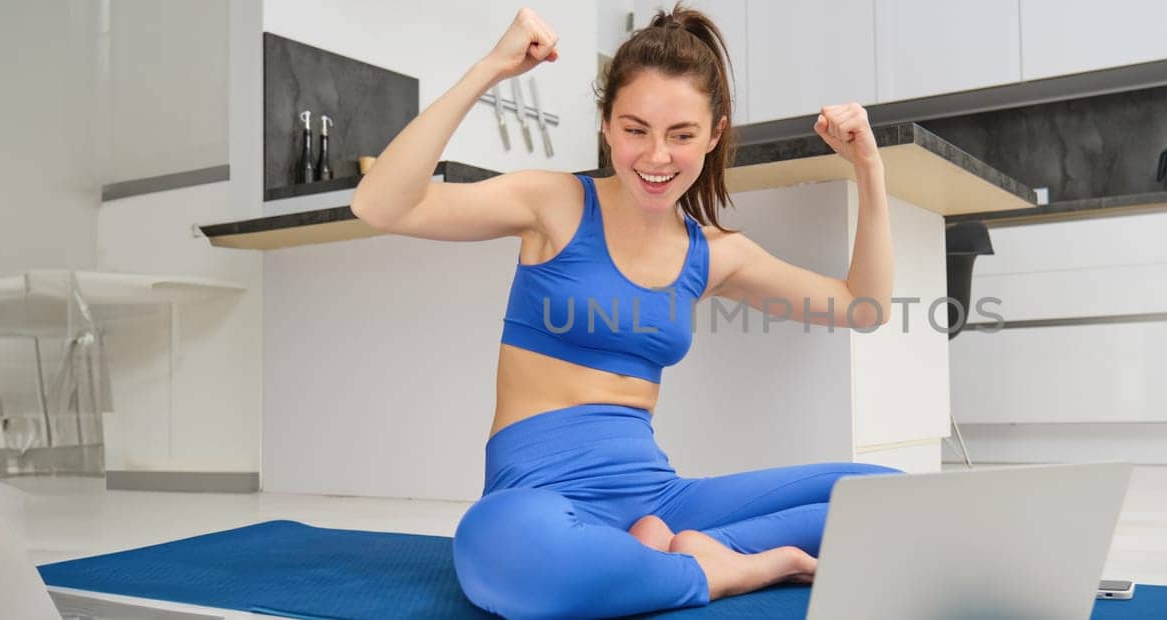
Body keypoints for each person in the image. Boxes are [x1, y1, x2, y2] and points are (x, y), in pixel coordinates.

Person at [351, 5, 899, 618]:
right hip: (537, 499)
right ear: (607, 126)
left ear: (714, 134)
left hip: (657, 502)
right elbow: (381, 205)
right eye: (636, 129)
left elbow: (863, 305)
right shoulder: (554, 204)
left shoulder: (714, 254)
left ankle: (673, 556)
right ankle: (730, 568)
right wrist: (491, 68)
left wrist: (868, 168)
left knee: (888, 497)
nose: (657, 157)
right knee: (514, 554)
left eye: (682, 135)